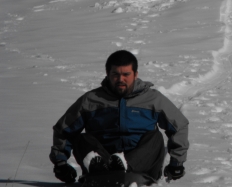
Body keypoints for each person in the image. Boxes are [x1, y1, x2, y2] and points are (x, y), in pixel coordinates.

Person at [49, 50, 189, 185]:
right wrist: (61, 162)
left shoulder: (152, 99)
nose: (120, 79)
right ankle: (98, 164)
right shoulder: (91, 100)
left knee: (155, 138)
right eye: (115, 74)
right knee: (81, 138)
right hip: (103, 161)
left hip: (142, 166)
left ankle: (126, 164)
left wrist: (176, 163)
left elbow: (179, 125)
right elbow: (64, 129)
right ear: (108, 74)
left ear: (135, 74)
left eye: (126, 74)